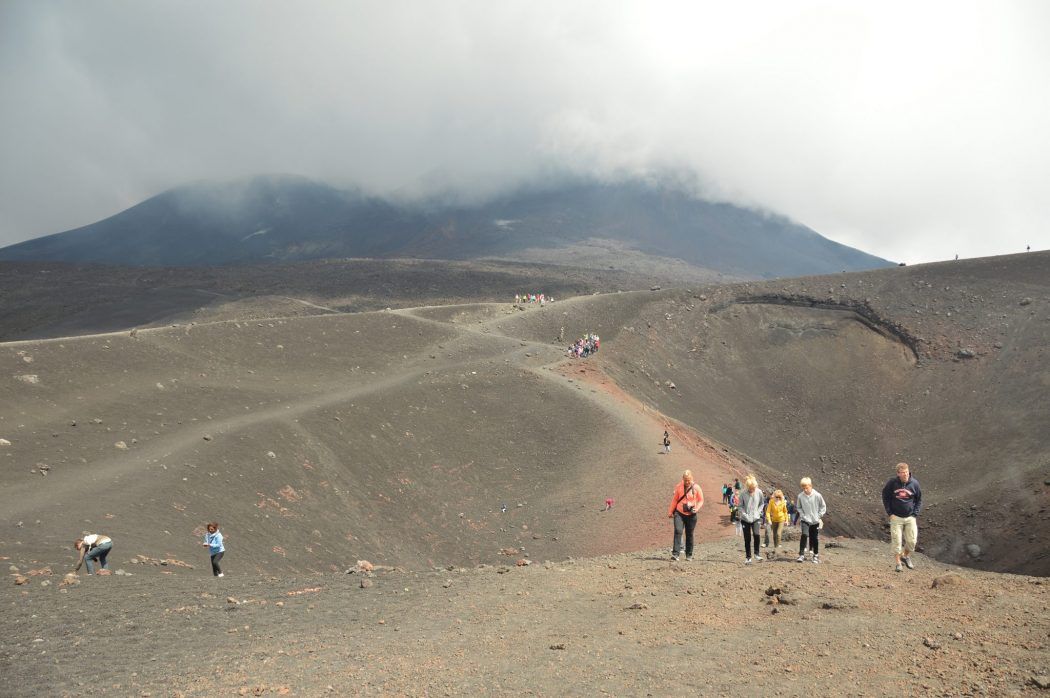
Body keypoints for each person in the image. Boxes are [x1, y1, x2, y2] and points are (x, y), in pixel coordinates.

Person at [882, 462, 922, 572]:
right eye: (903, 473)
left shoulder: (914, 484)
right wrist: (890, 513)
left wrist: (915, 514)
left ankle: (905, 556)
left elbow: (919, 499)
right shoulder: (892, 483)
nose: (905, 475)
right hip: (896, 518)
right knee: (897, 541)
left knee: (912, 541)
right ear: (898, 473)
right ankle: (898, 563)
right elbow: (885, 497)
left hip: (910, 517)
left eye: (906, 472)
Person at [667, 469, 704, 562]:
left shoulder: (696, 487)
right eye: (685, 480)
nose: (687, 482)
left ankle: (689, 555)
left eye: (689, 480)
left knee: (689, 534)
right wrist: (670, 511)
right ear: (682, 479)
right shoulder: (679, 487)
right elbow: (675, 500)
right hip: (679, 513)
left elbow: (701, 500)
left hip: (691, 514)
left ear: (691, 478)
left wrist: (697, 508)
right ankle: (675, 554)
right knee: (678, 531)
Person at [796, 477, 827, 563]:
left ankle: (815, 555)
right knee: (804, 535)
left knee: (814, 538)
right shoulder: (800, 496)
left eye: (806, 488)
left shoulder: (817, 495)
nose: (805, 490)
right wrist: (802, 515)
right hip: (805, 520)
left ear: (811, 486)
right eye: (803, 488)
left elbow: (823, 506)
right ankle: (801, 555)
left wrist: (819, 516)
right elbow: (798, 507)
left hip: (815, 521)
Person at [738, 475, 765, 564]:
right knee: (747, 538)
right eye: (750, 488)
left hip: (756, 518)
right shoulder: (742, 493)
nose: (752, 490)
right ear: (747, 487)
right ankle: (748, 557)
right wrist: (744, 514)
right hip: (745, 519)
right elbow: (740, 506)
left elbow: (762, 503)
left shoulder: (759, 492)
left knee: (757, 534)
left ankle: (757, 554)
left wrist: (759, 512)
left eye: (754, 488)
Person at [766, 489, 789, 558]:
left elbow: (785, 512)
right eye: (777, 497)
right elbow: (768, 512)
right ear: (774, 496)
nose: (778, 498)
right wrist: (769, 520)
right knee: (774, 535)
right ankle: (776, 547)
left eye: (779, 497)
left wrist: (787, 520)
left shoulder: (783, 502)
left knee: (778, 534)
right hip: (774, 520)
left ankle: (778, 547)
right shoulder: (771, 502)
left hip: (781, 520)